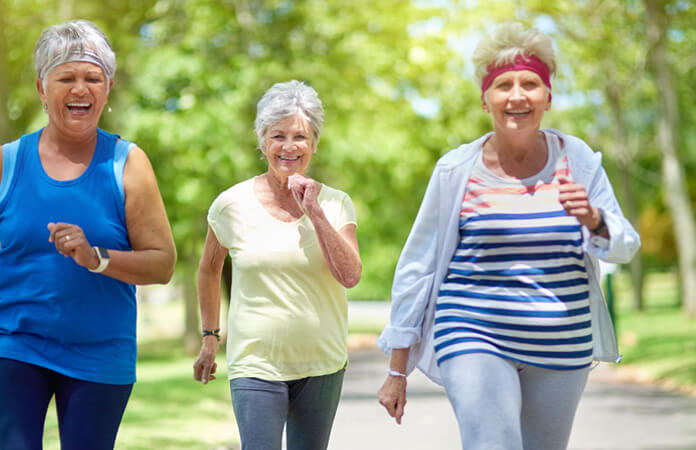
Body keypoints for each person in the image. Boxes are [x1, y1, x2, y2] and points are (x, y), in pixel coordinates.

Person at [377, 22, 640, 450]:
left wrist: (594, 218)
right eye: (503, 85)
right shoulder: (456, 170)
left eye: (531, 83)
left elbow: (626, 245)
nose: (517, 95)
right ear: (486, 100)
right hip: (473, 331)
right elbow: (418, 267)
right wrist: (396, 369)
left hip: (562, 343)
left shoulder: (579, 161)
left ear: (548, 97)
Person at [0, 19, 176, 450]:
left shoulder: (128, 164)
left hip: (100, 349)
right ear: (41, 88)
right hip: (15, 342)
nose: (80, 89)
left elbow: (162, 263)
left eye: (93, 78)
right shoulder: (4, 163)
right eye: (65, 77)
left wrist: (97, 257)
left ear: (108, 89)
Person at [192, 80, 362, 450]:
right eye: (277, 135)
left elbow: (350, 275)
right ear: (262, 140)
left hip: (322, 364)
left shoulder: (335, 204)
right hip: (255, 364)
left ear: (314, 143)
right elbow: (208, 269)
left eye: (300, 136)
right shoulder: (230, 205)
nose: (288, 147)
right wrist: (210, 337)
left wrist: (314, 212)